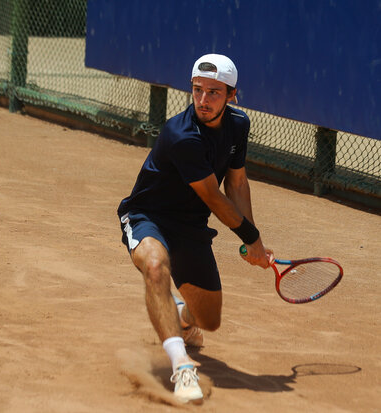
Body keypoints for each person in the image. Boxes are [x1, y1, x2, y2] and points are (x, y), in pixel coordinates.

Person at [117, 54, 273, 404]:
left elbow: (236, 183)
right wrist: (252, 238)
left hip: (191, 227)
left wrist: (253, 245)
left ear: (232, 95)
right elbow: (215, 199)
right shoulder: (182, 134)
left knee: (209, 320)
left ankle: (182, 319)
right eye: (197, 90)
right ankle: (181, 364)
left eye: (214, 93)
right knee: (156, 266)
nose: (203, 100)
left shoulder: (238, 125)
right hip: (148, 216)